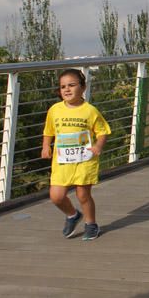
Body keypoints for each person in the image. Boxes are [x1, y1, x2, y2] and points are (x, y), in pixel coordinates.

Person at [41, 69, 111, 241]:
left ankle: (91, 224)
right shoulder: (55, 110)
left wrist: (98, 145)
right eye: (63, 86)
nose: (67, 90)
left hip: (84, 160)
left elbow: (103, 131)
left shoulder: (90, 111)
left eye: (72, 85)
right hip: (62, 161)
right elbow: (48, 130)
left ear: (83, 87)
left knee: (83, 195)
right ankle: (72, 215)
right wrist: (45, 146)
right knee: (56, 196)